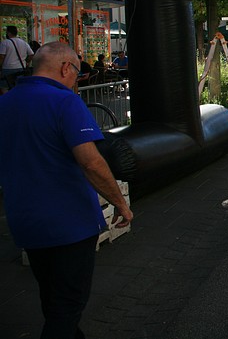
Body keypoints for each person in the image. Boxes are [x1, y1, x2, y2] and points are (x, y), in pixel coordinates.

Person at [0, 41, 133, 337]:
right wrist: (120, 203)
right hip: (69, 223)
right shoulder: (65, 102)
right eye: (76, 70)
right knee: (67, 306)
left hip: (25, 222)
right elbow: (91, 163)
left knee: (53, 300)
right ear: (64, 68)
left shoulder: (5, 103)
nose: (76, 78)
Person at [0, 25, 34, 91]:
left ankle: (7, 97)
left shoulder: (5, 43)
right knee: (19, 87)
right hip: (21, 68)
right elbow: (31, 54)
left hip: (8, 69)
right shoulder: (24, 42)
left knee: (4, 87)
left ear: (8, 33)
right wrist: (27, 62)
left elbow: (1, 57)